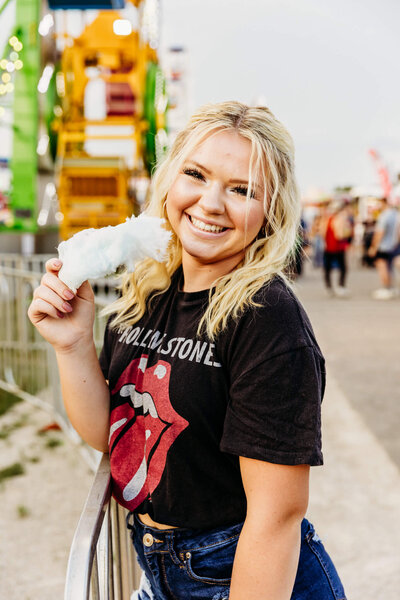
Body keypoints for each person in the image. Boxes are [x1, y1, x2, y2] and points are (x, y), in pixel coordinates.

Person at [28, 102, 346, 600]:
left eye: (242, 190)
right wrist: (71, 345)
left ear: (270, 212)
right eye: (195, 174)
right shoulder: (147, 293)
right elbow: (110, 438)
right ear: (170, 181)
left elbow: (277, 516)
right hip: (160, 569)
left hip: (239, 571)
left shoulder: (267, 318)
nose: (211, 203)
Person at [368, 197, 399, 299]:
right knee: (389, 267)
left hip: (383, 246)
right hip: (394, 245)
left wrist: (373, 247)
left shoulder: (384, 216)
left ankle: (386, 288)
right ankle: (390, 288)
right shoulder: (396, 214)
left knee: (382, 266)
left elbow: (380, 233)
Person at [322, 201, 352, 297]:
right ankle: (341, 286)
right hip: (338, 247)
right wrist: (348, 231)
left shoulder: (327, 219)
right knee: (343, 268)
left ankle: (328, 287)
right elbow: (339, 235)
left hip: (328, 247)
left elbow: (322, 233)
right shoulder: (339, 219)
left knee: (327, 268)